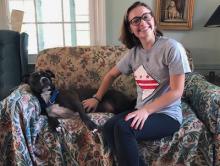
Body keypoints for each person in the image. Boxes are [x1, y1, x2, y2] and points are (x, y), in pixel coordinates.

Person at [82, 1, 191, 165]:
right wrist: (97, 98)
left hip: (167, 115)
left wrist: (146, 111)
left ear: (153, 20)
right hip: (141, 109)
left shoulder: (171, 47)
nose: (142, 22)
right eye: (135, 20)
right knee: (109, 127)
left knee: (123, 128)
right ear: (130, 28)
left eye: (145, 17)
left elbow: (177, 91)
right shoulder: (133, 54)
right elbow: (111, 75)